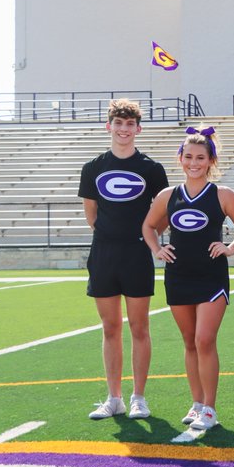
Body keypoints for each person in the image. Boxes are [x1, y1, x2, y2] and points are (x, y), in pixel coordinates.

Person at [142, 127, 234, 430]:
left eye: (200, 157)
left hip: (211, 275)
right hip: (178, 275)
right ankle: (197, 403)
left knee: (205, 339)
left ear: (210, 160)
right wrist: (157, 248)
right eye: (188, 156)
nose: (194, 162)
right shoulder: (168, 195)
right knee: (189, 342)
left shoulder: (223, 194)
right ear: (181, 159)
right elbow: (149, 226)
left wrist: (229, 247)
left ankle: (210, 409)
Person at [79, 98, 168, 420]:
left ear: (138, 129)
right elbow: (91, 214)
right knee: (110, 327)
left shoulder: (151, 169)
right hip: (103, 252)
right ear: (109, 126)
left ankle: (138, 398)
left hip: (136, 252)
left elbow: (161, 215)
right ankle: (113, 397)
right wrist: (109, 234)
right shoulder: (93, 168)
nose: (123, 129)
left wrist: (144, 237)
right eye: (118, 123)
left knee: (140, 327)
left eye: (130, 124)